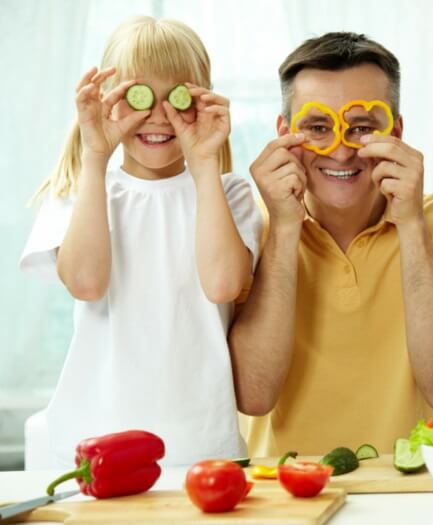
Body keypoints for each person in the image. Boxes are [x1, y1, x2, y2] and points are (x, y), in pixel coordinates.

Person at [20, 16, 262, 466]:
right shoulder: (80, 191)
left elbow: (223, 285)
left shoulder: (229, 193)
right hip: (93, 440)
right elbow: (86, 282)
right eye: (141, 96)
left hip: (202, 444)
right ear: (110, 102)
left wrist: (204, 161)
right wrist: (96, 156)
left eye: (177, 97)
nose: (159, 115)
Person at [230, 32, 433, 457]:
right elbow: (254, 395)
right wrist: (284, 228)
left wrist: (410, 222)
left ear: (396, 132)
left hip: (411, 485)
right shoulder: (248, 232)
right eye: (318, 128)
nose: (341, 151)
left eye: (362, 128)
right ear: (284, 133)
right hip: (282, 485)